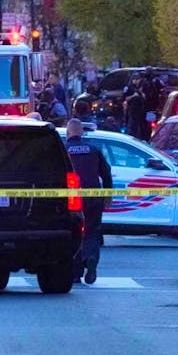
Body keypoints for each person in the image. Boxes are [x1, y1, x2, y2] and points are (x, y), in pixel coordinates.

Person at [66, 119, 113, 285]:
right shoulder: (93, 149)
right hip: (94, 197)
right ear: (82, 132)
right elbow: (106, 173)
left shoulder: (64, 150)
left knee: (74, 232)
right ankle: (91, 258)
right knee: (92, 230)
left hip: (72, 199)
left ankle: (75, 272)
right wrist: (108, 195)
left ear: (68, 132)